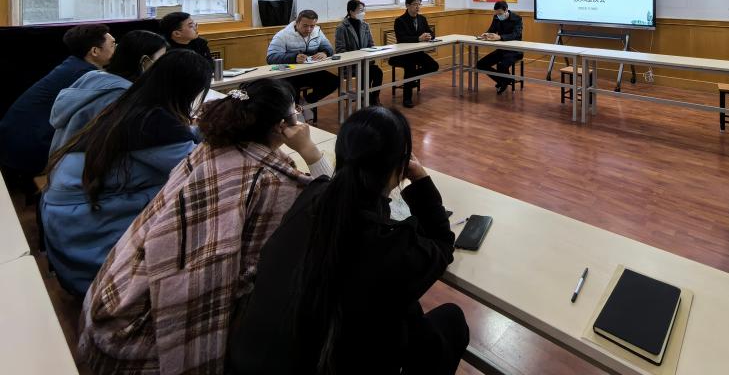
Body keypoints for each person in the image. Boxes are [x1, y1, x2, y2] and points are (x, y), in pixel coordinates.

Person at [79, 78, 332, 374]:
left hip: (114, 299)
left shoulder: (212, 147)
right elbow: (329, 201)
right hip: (143, 341)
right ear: (282, 126)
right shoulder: (274, 182)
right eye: (295, 112)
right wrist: (311, 151)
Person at [228, 106, 468, 375]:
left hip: (251, 358)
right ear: (399, 167)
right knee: (451, 320)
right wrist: (421, 180)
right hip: (318, 361)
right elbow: (442, 244)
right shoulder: (388, 245)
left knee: (406, 312)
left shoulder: (313, 195)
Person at [41, 49, 211, 296]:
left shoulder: (132, 102)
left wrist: (200, 131)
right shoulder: (154, 123)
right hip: (87, 241)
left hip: (67, 215)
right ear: (187, 90)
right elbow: (197, 167)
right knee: (191, 200)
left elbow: (182, 141)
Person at [0, 23, 116, 180]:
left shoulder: (73, 65)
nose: (117, 48)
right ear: (95, 51)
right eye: (113, 44)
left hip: (12, 144)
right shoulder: (84, 76)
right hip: (30, 150)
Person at [49, 29, 168, 154]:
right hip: (85, 163)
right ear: (144, 62)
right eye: (161, 60)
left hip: (61, 159)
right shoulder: (122, 95)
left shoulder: (92, 76)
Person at [266, 9, 338, 117]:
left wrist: (325, 52)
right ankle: (295, 115)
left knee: (333, 82)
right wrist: (293, 58)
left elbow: (328, 47)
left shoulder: (317, 31)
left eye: (312, 26)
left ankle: (307, 101)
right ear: (297, 22)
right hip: (290, 74)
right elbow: (271, 57)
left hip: (310, 71)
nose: (309, 29)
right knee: (291, 90)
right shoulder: (283, 35)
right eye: (305, 26)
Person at [389, 0, 439, 108]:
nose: (418, 7)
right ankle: (407, 99)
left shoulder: (422, 19)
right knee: (410, 67)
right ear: (407, 5)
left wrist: (429, 36)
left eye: (419, 4)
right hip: (402, 54)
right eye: (415, 4)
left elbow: (431, 33)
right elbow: (401, 38)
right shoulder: (400, 20)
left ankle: (411, 79)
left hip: (417, 53)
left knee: (434, 66)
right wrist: (418, 39)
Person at [335, 0, 383, 105]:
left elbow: (371, 44)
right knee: (364, 73)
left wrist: (372, 52)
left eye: (363, 10)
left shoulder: (365, 25)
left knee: (377, 72)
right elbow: (340, 50)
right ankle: (366, 99)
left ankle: (374, 98)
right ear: (351, 11)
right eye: (360, 10)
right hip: (351, 65)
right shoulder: (342, 27)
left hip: (365, 62)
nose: (363, 13)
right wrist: (357, 56)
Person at [476, 0, 524, 94]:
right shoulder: (496, 17)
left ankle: (504, 82)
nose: (498, 16)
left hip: (514, 51)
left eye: (500, 14)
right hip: (501, 50)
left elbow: (516, 34)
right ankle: (503, 80)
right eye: (496, 14)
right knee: (480, 64)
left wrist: (500, 37)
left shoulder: (517, 19)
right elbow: (492, 30)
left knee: (501, 65)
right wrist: (486, 34)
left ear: (506, 10)